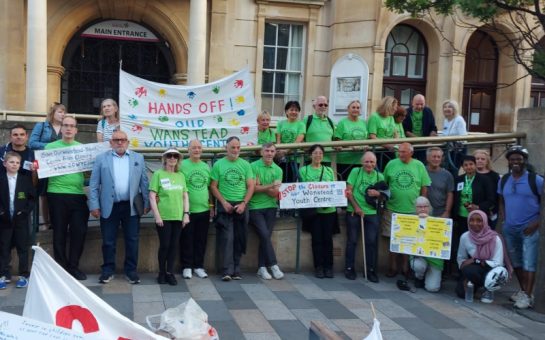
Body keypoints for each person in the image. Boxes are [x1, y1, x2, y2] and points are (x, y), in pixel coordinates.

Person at [89, 130, 150, 285]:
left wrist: (146, 203)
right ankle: (108, 270)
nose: (120, 142)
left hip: (131, 206)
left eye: (123, 140)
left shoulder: (138, 158)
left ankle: (131, 271)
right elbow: (94, 184)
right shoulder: (101, 159)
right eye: (116, 140)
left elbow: (144, 182)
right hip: (109, 206)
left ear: (128, 142)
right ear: (111, 142)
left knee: (132, 239)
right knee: (108, 241)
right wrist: (94, 205)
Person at [498, 146, 543, 309]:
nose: (515, 162)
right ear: (508, 161)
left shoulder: (535, 180)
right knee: (515, 261)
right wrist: (504, 218)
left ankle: (527, 295)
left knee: (529, 262)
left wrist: (536, 223)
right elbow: (501, 199)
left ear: (524, 160)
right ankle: (524, 291)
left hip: (529, 228)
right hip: (510, 228)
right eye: (512, 159)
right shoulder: (504, 180)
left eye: (519, 158)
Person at [46, 116, 89, 280]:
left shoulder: (82, 148)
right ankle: (61, 269)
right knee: (59, 232)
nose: (69, 128)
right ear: (61, 128)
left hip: (78, 195)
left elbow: (90, 172)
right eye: (66, 125)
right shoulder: (49, 147)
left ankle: (73, 266)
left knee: (79, 231)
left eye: (72, 126)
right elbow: (41, 168)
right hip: (56, 194)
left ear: (76, 130)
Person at [383, 142, 431, 278]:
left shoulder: (419, 165)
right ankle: (392, 267)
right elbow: (384, 184)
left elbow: (424, 186)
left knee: (408, 241)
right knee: (393, 240)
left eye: (404, 152)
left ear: (411, 152)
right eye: (399, 151)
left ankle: (405, 268)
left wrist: (422, 206)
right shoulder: (391, 164)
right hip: (392, 208)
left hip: (411, 210)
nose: (400, 154)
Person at [211, 136, 255, 281]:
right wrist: (223, 202)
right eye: (233, 147)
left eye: (238, 147)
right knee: (226, 238)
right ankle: (226, 270)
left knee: (240, 238)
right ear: (226, 148)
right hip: (225, 206)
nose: (236, 150)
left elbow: (251, 186)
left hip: (241, 204)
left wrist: (243, 203)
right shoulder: (218, 164)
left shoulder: (246, 164)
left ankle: (237, 269)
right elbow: (213, 186)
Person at [149, 148, 190, 286]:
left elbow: (185, 196)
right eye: (170, 156)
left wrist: (186, 214)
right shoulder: (158, 174)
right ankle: (161, 272)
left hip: (177, 216)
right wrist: (157, 216)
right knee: (165, 245)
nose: (172, 158)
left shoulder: (181, 176)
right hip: (164, 217)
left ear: (178, 159)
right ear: (165, 158)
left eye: (175, 156)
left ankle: (170, 273)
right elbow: (152, 196)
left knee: (173, 246)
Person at [298, 144, 337, 278]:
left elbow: (333, 188)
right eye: (315, 153)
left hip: (328, 210)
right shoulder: (304, 170)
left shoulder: (328, 170)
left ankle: (329, 267)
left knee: (328, 240)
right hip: (313, 211)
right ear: (310, 155)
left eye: (320, 153)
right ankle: (319, 267)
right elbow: (301, 189)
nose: (318, 155)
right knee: (317, 240)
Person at [456, 210, 511, 304]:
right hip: (475, 268)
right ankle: (473, 284)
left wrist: (480, 261)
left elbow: (498, 263)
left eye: (479, 220)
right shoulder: (465, 237)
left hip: (491, 269)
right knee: (462, 293)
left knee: (472, 270)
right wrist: (468, 268)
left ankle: (488, 289)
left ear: (485, 222)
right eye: (471, 220)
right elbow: (461, 258)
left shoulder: (495, 238)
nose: (474, 223)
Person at [344, 151, 383, 282]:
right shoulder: (355, 172)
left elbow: (385, 196)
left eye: (372, 162)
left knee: (371, 242)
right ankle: (349, 268)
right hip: (354, 211)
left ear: (375, 163)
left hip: (372, 213)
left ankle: (371, 270)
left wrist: (378, 193)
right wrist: (356, 207)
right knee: (352, 241)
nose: (369, 164)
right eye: (366, 161)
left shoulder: (379, 176)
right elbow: (348, 192)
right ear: (362, 162)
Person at [452, 155, 495, 273]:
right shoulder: (459, 180)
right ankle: (460, 269)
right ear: (463, 167)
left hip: (477, 220)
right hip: (461, 218)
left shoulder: (485, 180)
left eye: (471, 164)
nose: (469, 167)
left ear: (475, 165)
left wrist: (478, 207)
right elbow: (455, 198)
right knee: (461, 244)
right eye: (466, 165)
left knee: (476, 245)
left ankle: (477, 269)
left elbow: (491, 199)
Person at [0, 152, 35, 289]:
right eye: (11, 162)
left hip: (20, 220)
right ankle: (3, 275)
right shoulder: (1, 179)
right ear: (5, 164)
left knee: (22, 248)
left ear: (20, 165)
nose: (14, 164)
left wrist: (24, 212)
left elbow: (32, 199)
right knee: (3, 248)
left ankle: (23, 275)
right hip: (4, 220)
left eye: (17, 163)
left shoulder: (25, 180)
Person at [179, 139, 214, 279]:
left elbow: (210, 188)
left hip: (204, 210)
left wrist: (212, 206)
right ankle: (186, 266)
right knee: (186, 239)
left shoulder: (206, 166)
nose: (197, 150)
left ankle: (199, 266)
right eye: (194, 147)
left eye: (199, 147)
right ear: (188, 150)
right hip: (187, 210)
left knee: (201, 239)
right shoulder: (182, 165)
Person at [249, 143, 284, 280]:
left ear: (275, 153)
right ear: (261, 152)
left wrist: (261, 186)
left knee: (265, 237)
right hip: (255, 207)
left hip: (271, 206)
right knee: (264, 234)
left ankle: (262, 267)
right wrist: (269, 186)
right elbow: (253, 189)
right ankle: (273, 265)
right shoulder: (253, 166)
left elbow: (274, 193)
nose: (269, 153)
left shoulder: (278, 170)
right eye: (267, 151)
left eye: (272, 151)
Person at [29, 103, 65, 230]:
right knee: (44, 193)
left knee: (57, 192)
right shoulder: (41, 126)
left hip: (60, 164)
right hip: (44, 163)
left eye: (64, 112)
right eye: (60, 112)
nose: (63, 114)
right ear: (53, 113)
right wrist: (51, 147)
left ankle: (57, 221)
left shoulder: (66, 127)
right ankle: (45, 222)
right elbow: (32, 143)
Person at [409, 197, 443, 292]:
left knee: (433, 288)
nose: (423, 209)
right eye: (419, 207)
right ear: (415, 208)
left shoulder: (439, 223)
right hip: (419, 256)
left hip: (435, 259)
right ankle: (419, 277)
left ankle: (432, 276)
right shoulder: (409, 222)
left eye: (425, 206)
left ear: (430, 208)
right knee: (418, 266)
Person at [333, 100, 368, 180]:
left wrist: (365, 146)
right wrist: (351, 146)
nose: (356, 109)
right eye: (353, 107)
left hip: (360, 160)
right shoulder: (342, 123)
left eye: (358, 108)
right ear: (348, 109)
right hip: (345, 161)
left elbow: (367, 139)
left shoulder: (363, 123)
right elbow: (337, 140)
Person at [276, 101, 305, 183]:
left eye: (296, 110)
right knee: (279, 180)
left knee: (290, 181)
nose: (294, 112)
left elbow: (299, 139)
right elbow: (278, 138)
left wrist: (286, 151)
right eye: (291, 110)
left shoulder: (301, 124)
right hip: (280, 157)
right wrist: (279, 150)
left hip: (294, 158)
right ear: (286, 111)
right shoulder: (281, 123)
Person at [367, 96, 397, 169]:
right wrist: (387, 145)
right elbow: (372, 136)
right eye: (395, 107)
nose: (396, 109)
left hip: (390, 150)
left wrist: (396, 142)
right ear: (389, 106)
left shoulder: (391, 117)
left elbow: (395, 133)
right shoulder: (374, 117)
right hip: (378, 151)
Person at [474, 149, 500, 229]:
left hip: (490, 212)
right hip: (473, 212)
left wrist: (494, 210)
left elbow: (498, 196)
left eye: (482, 159)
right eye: (477, 159)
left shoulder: (494, 176)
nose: (479, 161)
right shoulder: (470, 175)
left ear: (487, 161)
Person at [304, 96, 335, 162]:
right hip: (310, 160)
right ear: (314, 106)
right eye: (320, 105)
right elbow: (301, 136)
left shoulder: (331, 121)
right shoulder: (307, 120)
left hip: (327, 160)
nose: (323, 107)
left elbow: (334, 139)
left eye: (325, 105)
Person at [426, 147, 454, 218]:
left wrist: (447, 212)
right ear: (428, 158)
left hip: (441, 213)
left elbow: (450, 194)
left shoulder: (447, 175)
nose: (436, 159)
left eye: (439, 157)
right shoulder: (422, 171)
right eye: (434, 157)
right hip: (424, 212)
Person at [441, 99, 467, 173]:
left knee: (453, 171)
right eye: (445, 107)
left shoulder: (459, 120)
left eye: (450, 107)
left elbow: (463, 138)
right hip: (448, 149)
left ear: (454, 109)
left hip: (457, 151)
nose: (447, 109)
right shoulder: (446, 120)